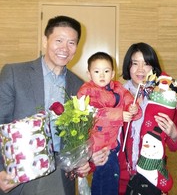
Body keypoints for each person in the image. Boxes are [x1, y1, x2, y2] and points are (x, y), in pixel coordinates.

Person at [0, 15, 109, 195]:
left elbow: (84, 135)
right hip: (17, 172)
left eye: (71, 43)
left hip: (59, 174)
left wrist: (85, 161)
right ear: (45, 41)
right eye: (59, 40)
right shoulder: (14, 73)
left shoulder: (80, 87)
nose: (64, 48)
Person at [118, 42, 177, 194]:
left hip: (152, 177)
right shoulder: (116, 96)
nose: (140, 69)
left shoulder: (164, 100)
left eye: (146, 64)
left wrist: (173, 132)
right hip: (120, 177)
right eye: (135, 63)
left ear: (154, 68)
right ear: (128, 67)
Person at [77, 52, 142, 195]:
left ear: (112, 73)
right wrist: (119, 115)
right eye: (97, 71)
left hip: (112, 146)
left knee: (111, 179)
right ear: (89, 74)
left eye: (106, 71)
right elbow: (90, 113)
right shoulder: (86, 91)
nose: (102, 75)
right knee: (103, 181)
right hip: (95, 147)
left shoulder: (118, 89)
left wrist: (133, 108)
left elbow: (129, 102)